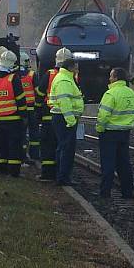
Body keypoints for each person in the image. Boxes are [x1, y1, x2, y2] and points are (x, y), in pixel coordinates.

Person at [96, 68, 134, 199]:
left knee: (108, 164)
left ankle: (105, 193)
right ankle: (127, 192)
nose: (109, 78)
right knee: (124, 163)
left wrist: (100, 128)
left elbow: (103, 115)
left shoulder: (110, 94)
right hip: (125, 132)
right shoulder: (132, 93)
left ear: (115, 78)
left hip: (109, 133)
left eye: (111, 76)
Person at [35, 47, 73, 180]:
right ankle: (61, 173)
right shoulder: (72, 76)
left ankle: (47, 174)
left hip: (48, 116)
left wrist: (38, 112)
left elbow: (39, 94)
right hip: (65, 117)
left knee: (47, 145)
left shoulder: (49, 74)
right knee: (63, 146)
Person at [0, 50, 28, 176]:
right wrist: (24, 116)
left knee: (0, 144)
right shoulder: (13, 78)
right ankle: (13, 171)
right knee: (14, 145)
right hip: (13, 118)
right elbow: (20, 99)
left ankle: (0, 168)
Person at [50, 57, 84, 186]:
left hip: (62, 117)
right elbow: (64, 102)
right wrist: (71, 120)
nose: (77, 69)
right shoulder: (64, 80)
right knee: (66, 148)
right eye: (76, 67)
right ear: (70, 67)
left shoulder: (66, 78)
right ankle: (63, 177)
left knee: (64, 147)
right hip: (64, 118)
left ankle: (62, 176)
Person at [19, 51, 40, 160]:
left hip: (20, 110)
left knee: (21, 133)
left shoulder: (15, 76)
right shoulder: (32, 75)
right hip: (31, 109)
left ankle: (22, 154)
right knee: (34, 133)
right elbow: (37, 91)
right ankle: (35, 154)